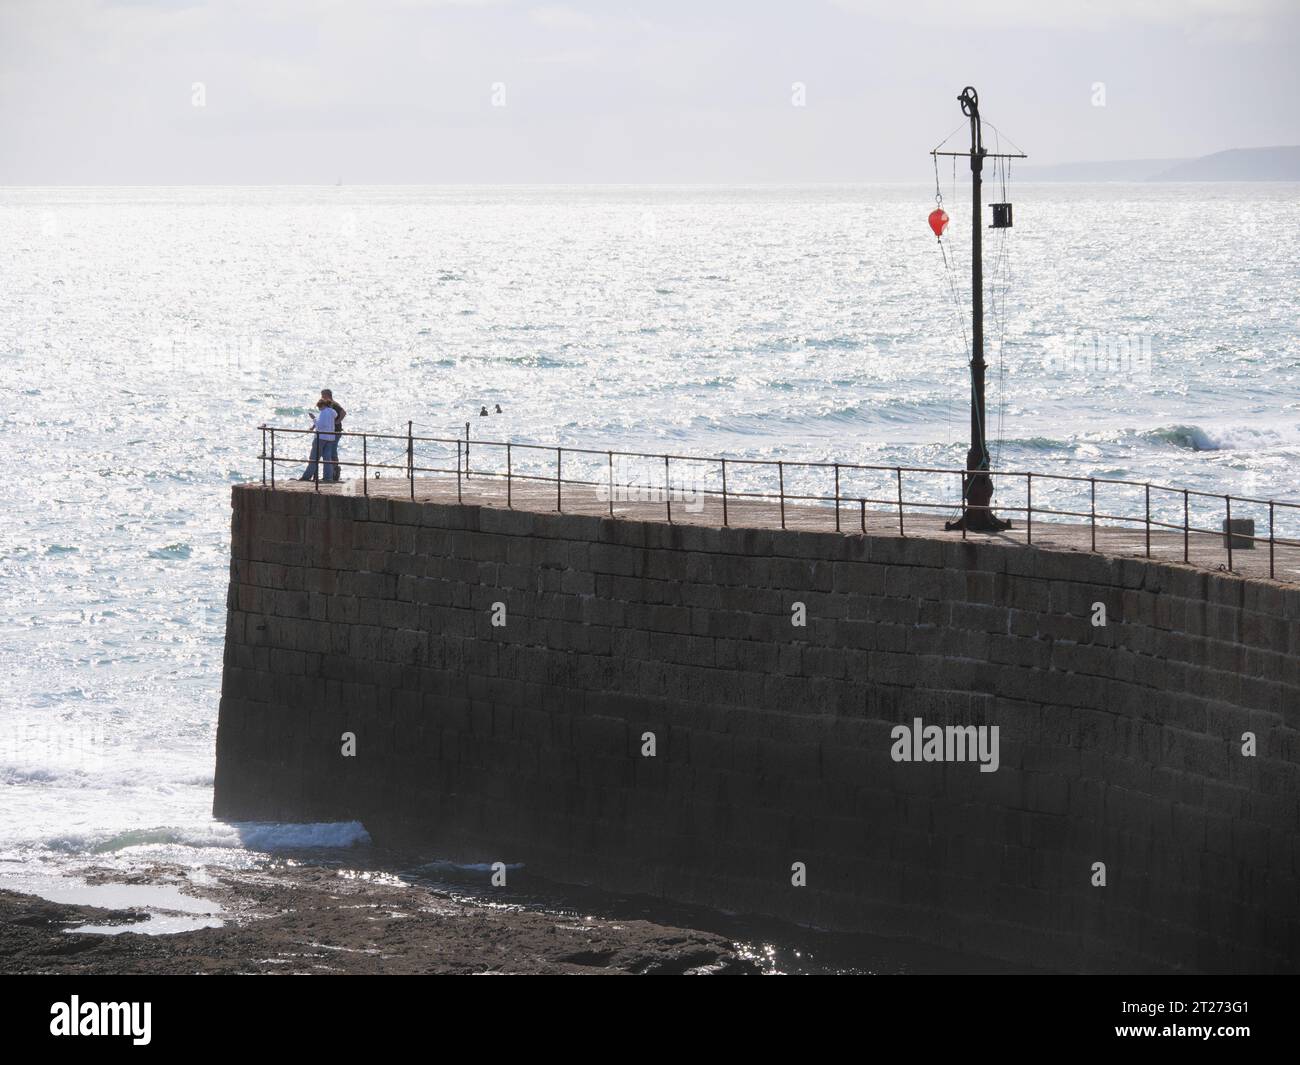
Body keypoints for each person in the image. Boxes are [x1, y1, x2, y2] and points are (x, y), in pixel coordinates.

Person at [299, 399, 339, 482]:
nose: (319, 409)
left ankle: (307, 476)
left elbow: (320, 426)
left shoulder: (323, 412)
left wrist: (313, 418)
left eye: (319, 407)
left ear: (322, 405)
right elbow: (335, 416)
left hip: (321, 438)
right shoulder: (332, 412)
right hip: (330, 438)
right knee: (327, 459)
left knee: (314, 458)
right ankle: (328, 477)